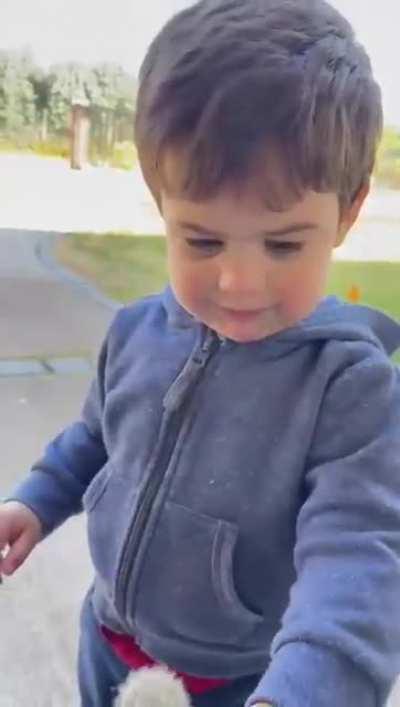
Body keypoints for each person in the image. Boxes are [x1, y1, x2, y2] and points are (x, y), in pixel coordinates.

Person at [1, 0, 400, 705]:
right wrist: (36, 500)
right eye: (203, 240)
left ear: (349, 210)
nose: (239, 283)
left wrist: (305, 689)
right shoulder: (132, 332)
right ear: (161, 205)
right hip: (107, 643)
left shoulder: (350, 388)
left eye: (283, 243)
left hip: (242, 685)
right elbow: (95, 437)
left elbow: (357, 558)